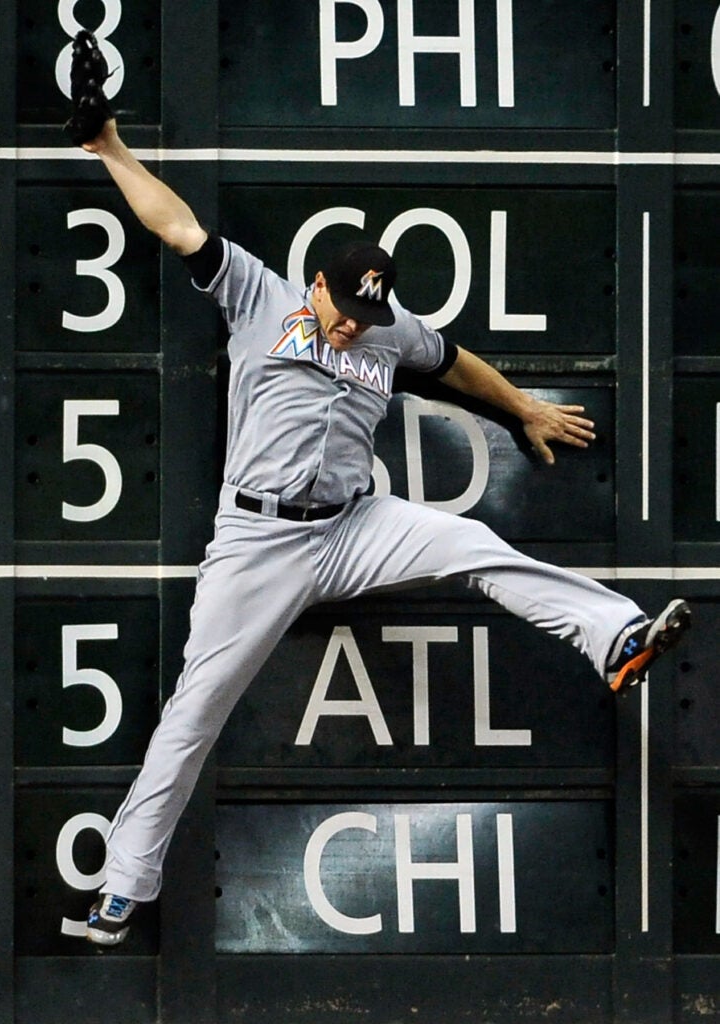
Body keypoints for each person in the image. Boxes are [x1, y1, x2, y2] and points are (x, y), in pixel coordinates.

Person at [79, 119, 691, 946]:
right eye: (346, 309)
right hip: (258, 542)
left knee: (474, 543)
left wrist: (521, 408)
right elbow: (174, 222)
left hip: (354, 523)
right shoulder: (262, 297)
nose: (355, 327)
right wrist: (112, 149)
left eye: (370, 315)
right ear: (318, 287)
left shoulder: (385, 326)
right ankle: (122, 888)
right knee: (195, 711)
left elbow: (451, 359)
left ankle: (616, 638)